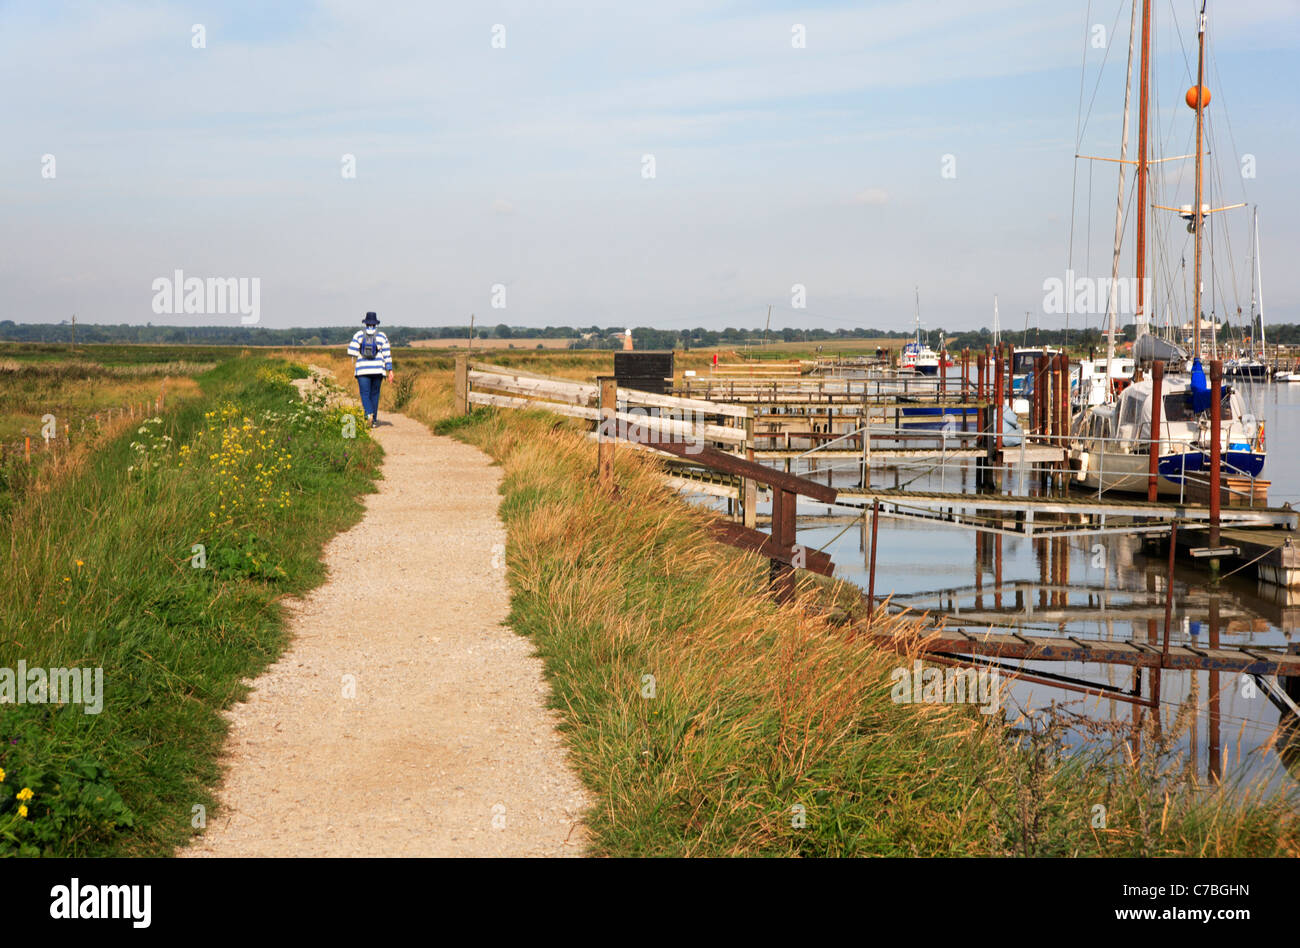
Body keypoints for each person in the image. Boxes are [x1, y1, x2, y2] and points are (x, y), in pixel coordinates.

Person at [347, 312, 393, 427]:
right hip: (378, 370)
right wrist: (390, 370)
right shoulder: (382, 336)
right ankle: (374, 421)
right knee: (375, 395)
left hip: (362, 370)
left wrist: (359, 352)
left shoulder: (359, 335)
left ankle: (368, 413)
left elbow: (351, 351)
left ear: (366, 323)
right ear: (375, 324)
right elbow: (387, 354)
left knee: (365, 394)